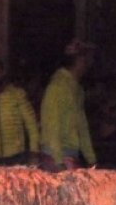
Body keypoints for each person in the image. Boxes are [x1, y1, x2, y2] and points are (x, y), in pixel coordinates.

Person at [40, 39, 97, 171]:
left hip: (68, 153)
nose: (91, 62)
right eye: (88, 58)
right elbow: (51, 126)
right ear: (80, 60)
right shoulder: (57, 87)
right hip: (56, 155)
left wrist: (91, 158)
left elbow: (82, 125)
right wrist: (59, 161)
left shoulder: (76, 88)